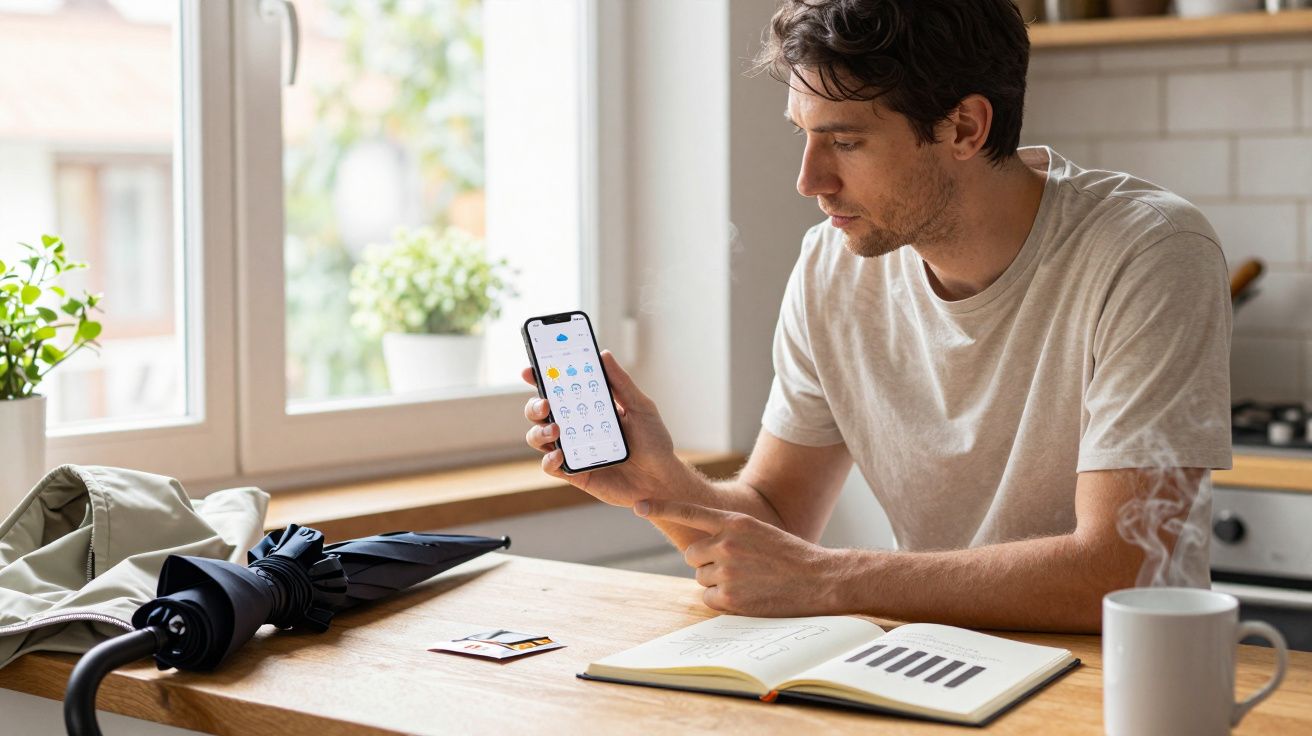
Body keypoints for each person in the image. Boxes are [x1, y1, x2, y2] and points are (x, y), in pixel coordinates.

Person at [521, 0, 1231, 633]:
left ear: (963, 126)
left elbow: (1125, 570)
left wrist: (825, 579)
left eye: (846, 141)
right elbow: (774, 517)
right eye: (804, 133)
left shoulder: (1148, 249)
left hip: (1116, 683)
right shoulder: (830, 267)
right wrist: (657, 479)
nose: (809, 180)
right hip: (927, 666)